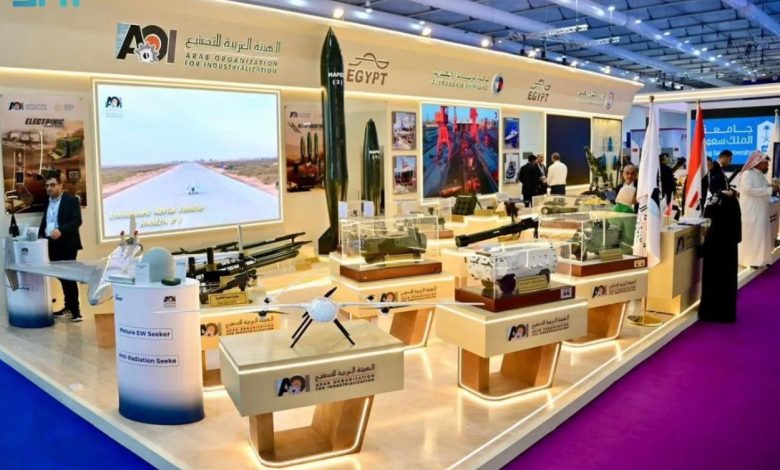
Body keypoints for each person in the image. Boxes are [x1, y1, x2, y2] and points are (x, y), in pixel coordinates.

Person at [38, 174, 83, 322]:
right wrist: (40, 236)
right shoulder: (47, 201)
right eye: (47, 186)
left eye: (52, 185)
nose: (49, 188)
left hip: (67, 244)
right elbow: (45, 220)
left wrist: (61, 230)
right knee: (61, 276)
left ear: (60, 185)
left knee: (68, 276)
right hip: (51, 244)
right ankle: (68, 307)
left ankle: (76, 312)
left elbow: (77, 221)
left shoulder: (71, 200)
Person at [699, 186, 741, 323]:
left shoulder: (717, 200)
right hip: (729, 247)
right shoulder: (733, 202)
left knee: (713, 279)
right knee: (727, 280)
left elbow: (707, 213)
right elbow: (737, 230)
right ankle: (725, 312)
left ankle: (711, 311)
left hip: (715, 246)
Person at [738, 151, 777, 268]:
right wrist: (769, 190)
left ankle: (762, 259)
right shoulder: (747, 174)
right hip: (751, 211)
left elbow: (763, 188)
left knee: (761, 234)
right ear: (758, 163)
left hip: (761, 209)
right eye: (766, 163)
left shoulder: (760, 175)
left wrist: (772, 186)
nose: (767, 165)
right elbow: (748, 190)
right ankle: (751, 261)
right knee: (753, 235)